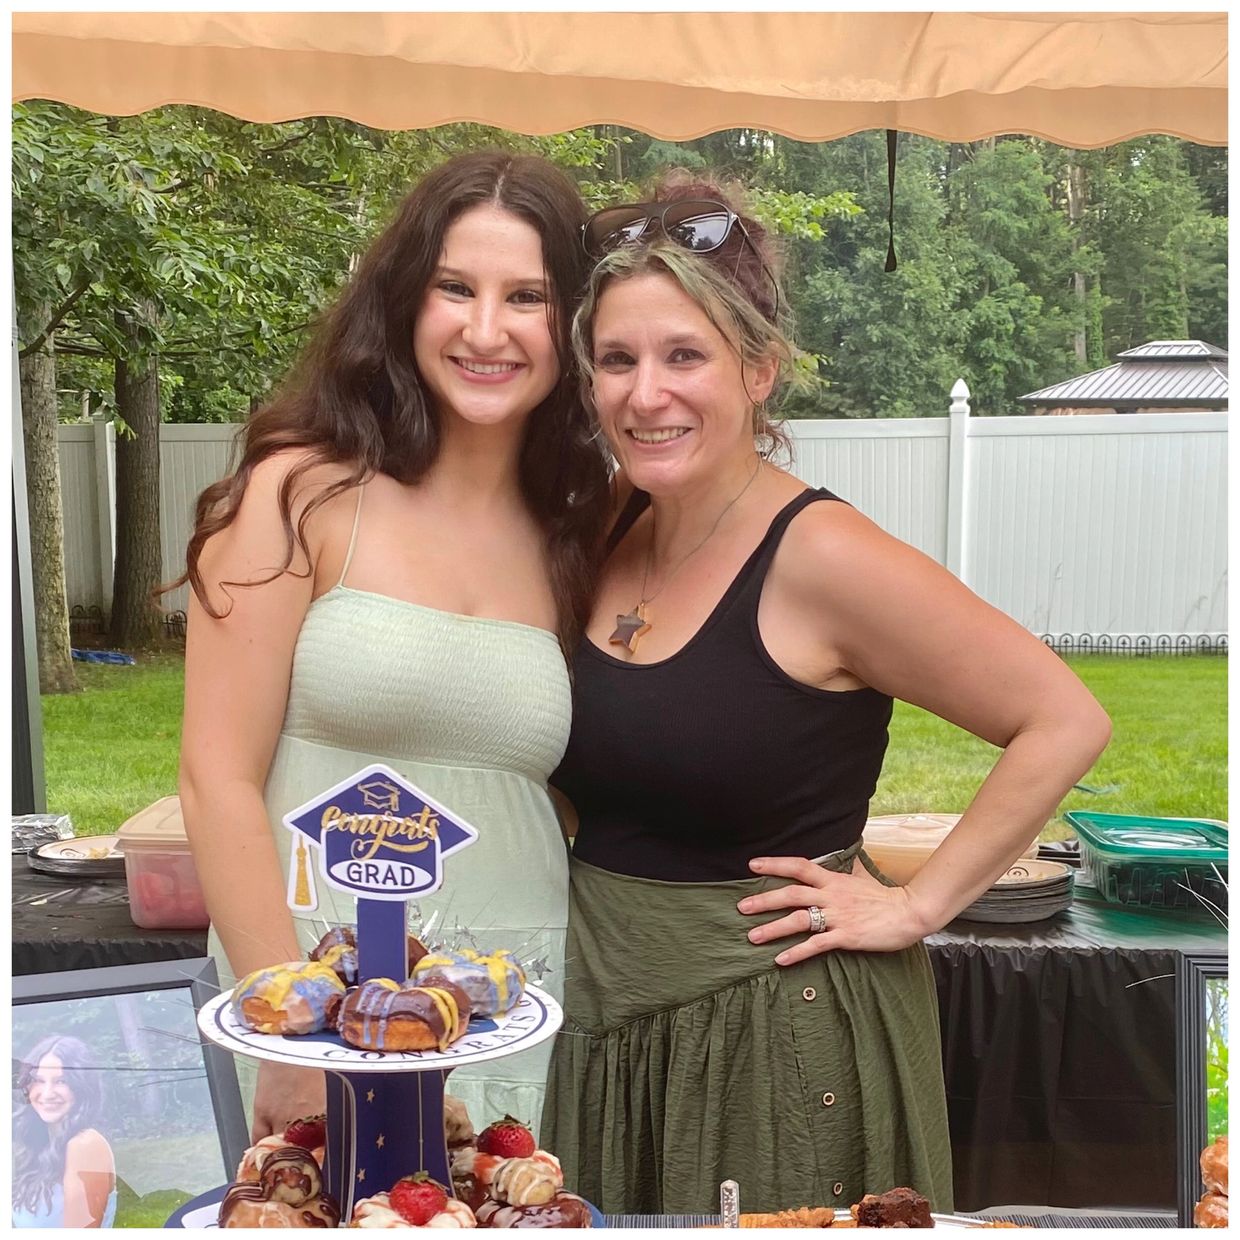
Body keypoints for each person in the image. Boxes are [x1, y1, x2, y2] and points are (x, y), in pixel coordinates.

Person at [543, 180, 1112, 1214]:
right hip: (608, 1020)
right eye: (617, 360)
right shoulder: (614, 523)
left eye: (684, 356)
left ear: (758, 370)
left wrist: (918, 902)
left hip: (770, 1033)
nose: (643, 393)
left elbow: (1062, 717)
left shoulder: (823, 555)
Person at [177, 152, 610, 1142]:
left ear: (573, 326)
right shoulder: (301, 493)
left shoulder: (583, 529)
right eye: (454, 287)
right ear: (406, 301)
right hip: (311, 1004)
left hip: (511, 1006)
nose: (485, 328)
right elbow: (215, 777)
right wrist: (280, 1029)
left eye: (528, 296)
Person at [13, 1036, 117, 1228]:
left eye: (61, 1081)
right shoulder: (39, 1150)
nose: (47, 1093)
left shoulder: (85, 1145)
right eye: (38, 1081)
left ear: (80, 1087)